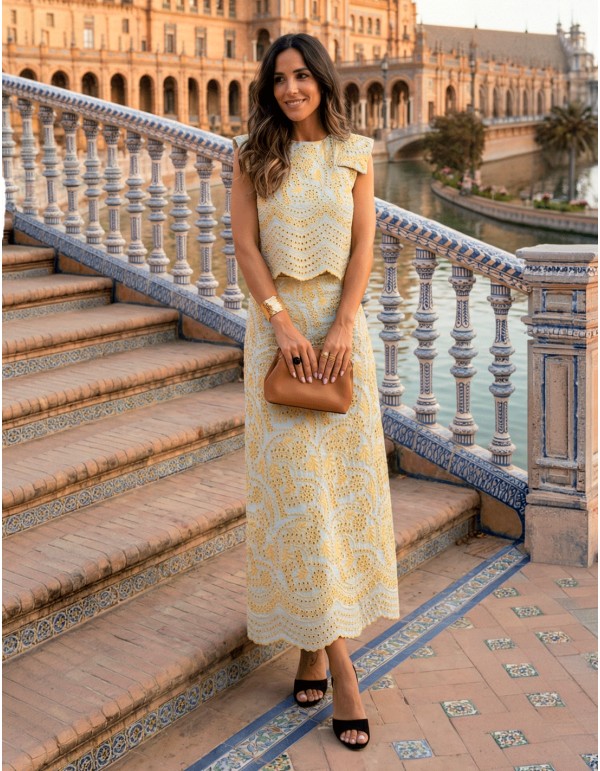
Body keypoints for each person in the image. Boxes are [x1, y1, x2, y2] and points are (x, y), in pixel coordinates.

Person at [231, 33, 399, 751]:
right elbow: (245, 249)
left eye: (302, 76)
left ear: (323, 81)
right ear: (268, 89)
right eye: (279, 80)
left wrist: (341, 326)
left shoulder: (356, 153)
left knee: (338, 499)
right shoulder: (251, 157)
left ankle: (308, 646)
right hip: (278, 340)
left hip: (340, 342)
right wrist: (283, 324)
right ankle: (344, 673)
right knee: (298, 501)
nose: (291, 89)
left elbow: (364, 249)